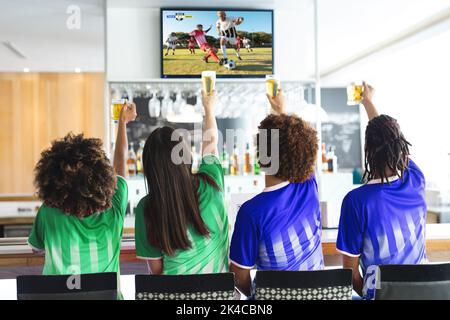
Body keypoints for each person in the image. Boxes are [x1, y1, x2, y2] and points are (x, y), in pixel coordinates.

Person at [28, 102, 137, 293]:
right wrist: (122, 123)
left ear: (53, 179)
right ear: (103, 176)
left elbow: (37, 249)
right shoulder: (115, 206)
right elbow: (120, 163)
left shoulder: (48, 211)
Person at [336, 82, 427, 299]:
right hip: (426, 293)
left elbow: (350, 274)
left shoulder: (356, 201)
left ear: (368, 150)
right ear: (401, 147)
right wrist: (368, 102)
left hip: (381, 295)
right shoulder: (416, 180)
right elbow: (390, 140)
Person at [230, 90, 324, 297]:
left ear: (260, 158)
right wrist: (280, 111)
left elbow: (238, 274)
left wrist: (259, 294)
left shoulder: (251, 212)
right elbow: (297, 147)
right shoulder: (309, 186)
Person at [135, 90, 229, 275]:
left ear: (149, 168)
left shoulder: (146, 207)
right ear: (186, 157)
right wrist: (209, 110)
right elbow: (210, 143)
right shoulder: (211, 183)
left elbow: (157, 271)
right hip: (222, 297)